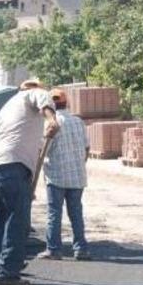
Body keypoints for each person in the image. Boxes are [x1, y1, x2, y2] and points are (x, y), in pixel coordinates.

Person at [0, 80, 58, 285]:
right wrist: (51, 119)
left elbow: (34, 150)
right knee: (18, 219)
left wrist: (28, 184)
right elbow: (42, 98)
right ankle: (7, 273)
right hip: (11, 164)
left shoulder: (10, 108)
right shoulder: (34, 95)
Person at [36, 88, 91, 261]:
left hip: (56, 176)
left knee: (54, 213)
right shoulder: (78, 122)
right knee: (76, 213)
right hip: (77, 176)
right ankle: (81, 249)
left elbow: (44, 150)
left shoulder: (51, 123)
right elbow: (86, 148)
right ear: (67, 103)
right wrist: (78, 164)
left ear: (51, 106)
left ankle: (54, 249)